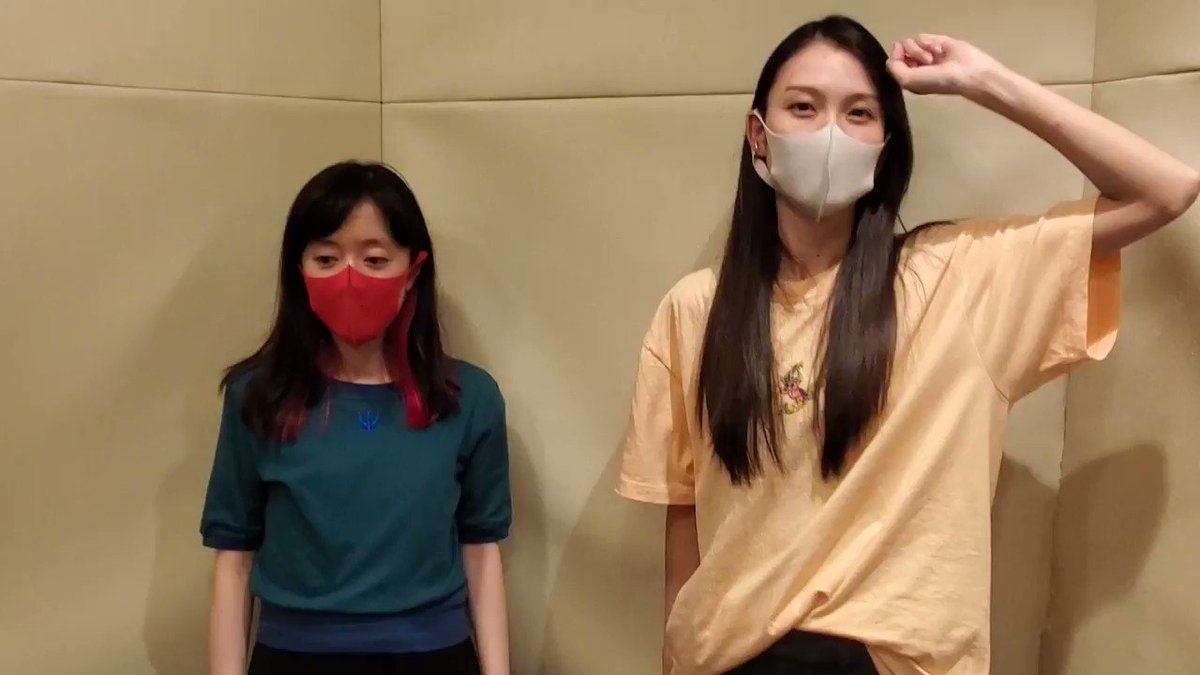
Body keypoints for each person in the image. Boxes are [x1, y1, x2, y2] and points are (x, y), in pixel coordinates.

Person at [616, 15, 1198, 675]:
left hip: (893, 659)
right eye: (803, 107)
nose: (830, 133)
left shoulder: (959, 278)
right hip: (733, 657)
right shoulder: (696, 310)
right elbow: (686, 523)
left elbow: (1165, 189)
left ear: (886, 147)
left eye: (859, 113)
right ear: (759, 134)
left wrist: (987, 82)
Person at [200, 161, 512, 675]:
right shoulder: (256, 396)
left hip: (434, 655)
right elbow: (233, 559)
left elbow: (481, 550)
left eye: (374, 259)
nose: (349, 277)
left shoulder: (468, 398)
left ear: (413, 272)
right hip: (293, 657)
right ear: (299, 271)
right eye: (326, 258)